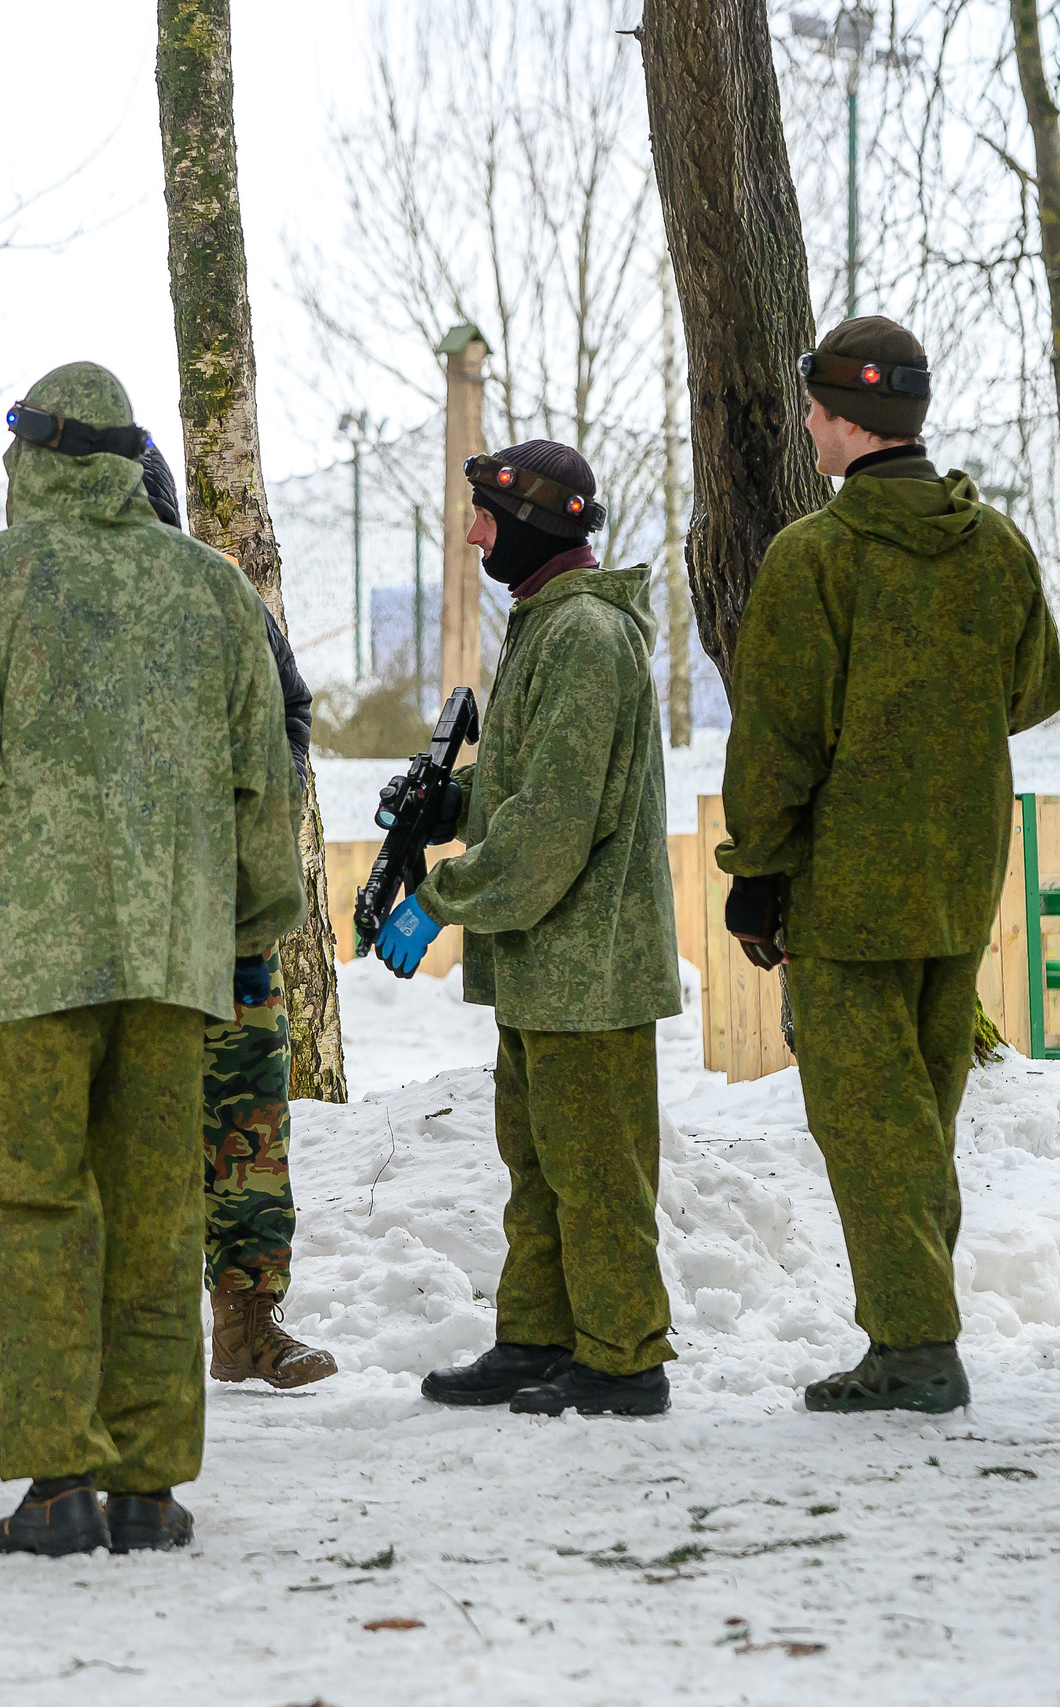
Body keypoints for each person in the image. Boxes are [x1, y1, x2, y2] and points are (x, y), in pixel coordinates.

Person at [0, 363, 303, 1557]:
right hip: (170, 963)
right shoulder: (210, 588)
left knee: (34, 1205)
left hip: (24, 966)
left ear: (34, 459)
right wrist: (252, 931)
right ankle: (149, 1484)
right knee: (156, 1210)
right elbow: (266, 778)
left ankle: (58, 1483)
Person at [719, 316, 1060, 1414]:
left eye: (814, 412)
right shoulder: (997, 546)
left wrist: (756, 870)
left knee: (867, 1123)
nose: (808, 430)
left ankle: (916, 1349)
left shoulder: (813, 558)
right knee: (918, 1117)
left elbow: (777, 735)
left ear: (843, 420)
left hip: (846, 889)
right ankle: (910, 1333)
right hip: (960, 878)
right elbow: (1035, 691)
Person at [375, 439, 682, 1420]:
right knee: (540, 1167)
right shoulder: (548, 630)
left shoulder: (586, 637)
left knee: (595, 1174)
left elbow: (552, 824)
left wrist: (440, 899)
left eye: (487, 518)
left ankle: (623, 1358)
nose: (473, 534)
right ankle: (538, 1340)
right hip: (548, 969)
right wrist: (446, 803)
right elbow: (530, 781)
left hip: (588, 966)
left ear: (537, 524)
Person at [134, 441, 335, 1390]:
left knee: (249, 1121)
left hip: (230, 914)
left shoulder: (219, 593)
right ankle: (137, 1334)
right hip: (112, 926)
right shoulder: (40, 601)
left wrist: (261, 807)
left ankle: (250, 1325)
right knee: (130, 1128)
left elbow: (292, 711)